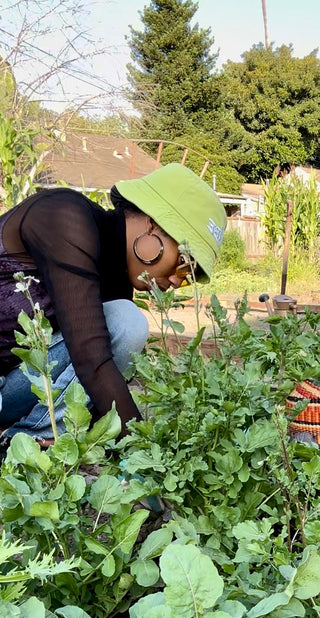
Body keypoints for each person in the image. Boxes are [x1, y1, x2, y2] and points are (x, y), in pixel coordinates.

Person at [0, 163, 227, 450]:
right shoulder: (64, 217)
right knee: (126, 323)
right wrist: (144, 456)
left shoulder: (117, 278)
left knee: (124, 321)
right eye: (183, 265)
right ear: (153, 224)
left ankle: (24, 442)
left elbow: (99, 388)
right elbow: (91, 360)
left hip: (13, 389)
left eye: (187, 278)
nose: (174, 281)